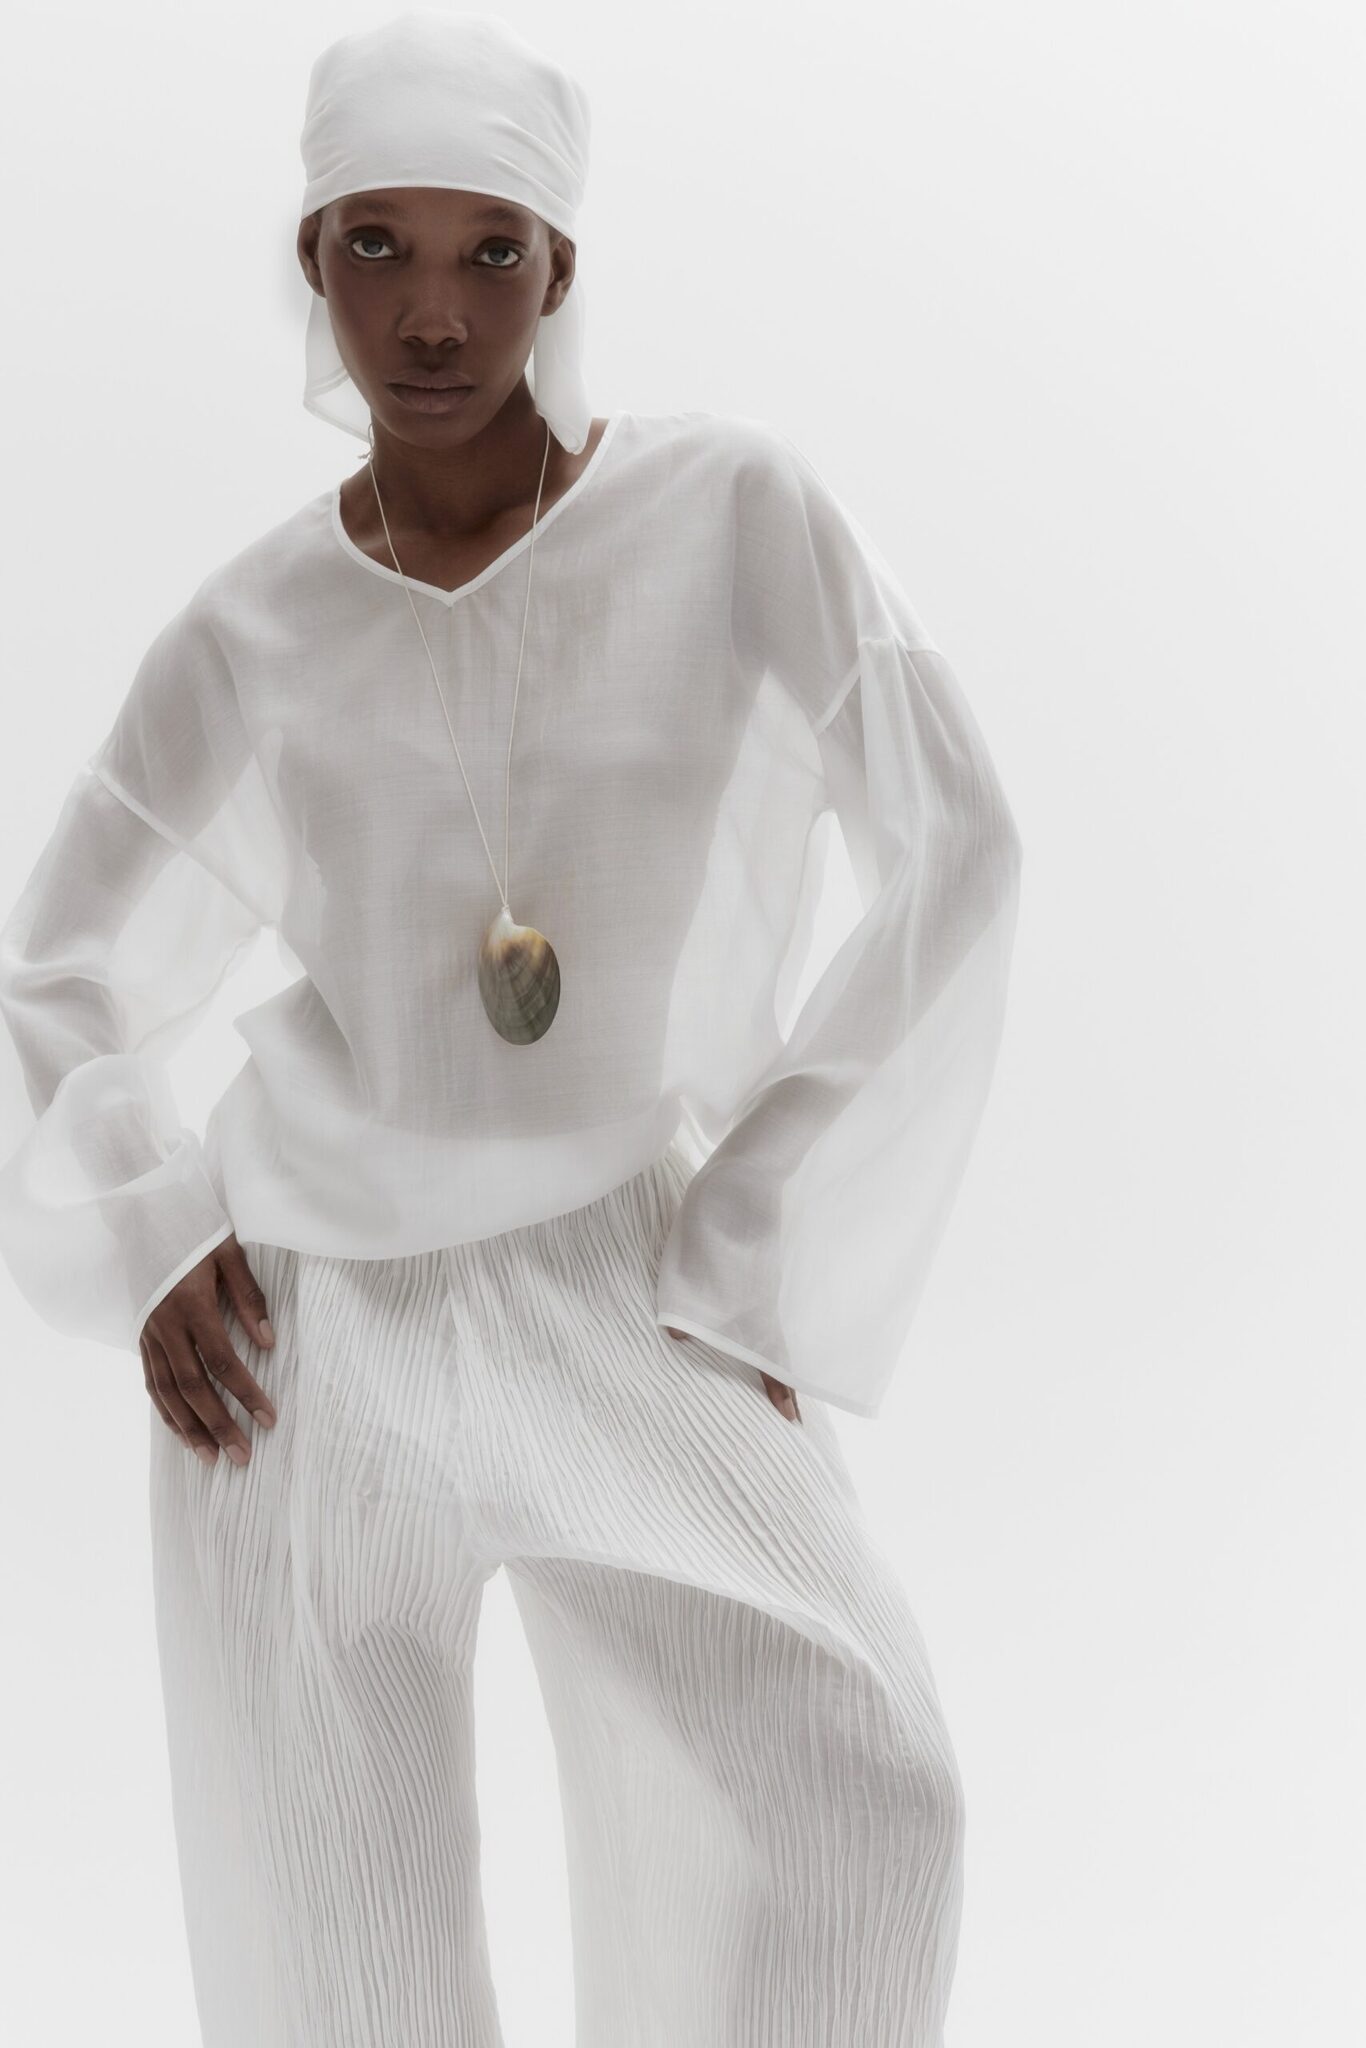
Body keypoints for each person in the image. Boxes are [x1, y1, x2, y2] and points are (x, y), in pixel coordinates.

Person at [0, 12, 1024, 2046]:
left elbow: (956, 844)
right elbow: (55, 966)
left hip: (621, 1272)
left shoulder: (729, 512)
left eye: (488, 250)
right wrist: (148, 1224)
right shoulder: (251, 625)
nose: (431, 312)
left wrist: (757, 1237)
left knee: (863, 1784)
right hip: (306, 1331)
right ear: (310, 263)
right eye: (375, 245)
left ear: (561, 268)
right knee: (344, 1953)